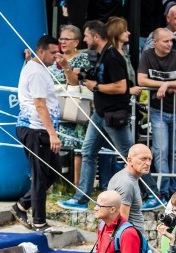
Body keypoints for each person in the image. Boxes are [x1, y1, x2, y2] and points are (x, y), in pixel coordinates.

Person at [63, 21, 137, 210]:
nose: (84, 40)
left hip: (114, 115)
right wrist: (66, 66)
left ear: (96, 37)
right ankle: (81, 198)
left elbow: (121, 87)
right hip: (99, 114)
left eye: (86, 36)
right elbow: (73, 80)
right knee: (88, 152)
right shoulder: (93, 56)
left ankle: (150, 193)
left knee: (131, 157)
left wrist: (96, 86)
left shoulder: (112, 56)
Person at [11, 35, 61, 233]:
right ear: (41, 52)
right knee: (40, 175)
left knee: (53, 171)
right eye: (52, 52)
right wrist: (52, 134)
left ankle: (22, 205)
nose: (56, 56)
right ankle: (39, 221)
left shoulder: (35, 67)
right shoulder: (37, 72)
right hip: (35, 129)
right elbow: (40, 104)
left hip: (41, 128)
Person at [138, 28, 176, 201]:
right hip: (157, 110)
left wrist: (165, 86)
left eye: (171, 41)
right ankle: (163, 189)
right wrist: (165, 83)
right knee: (161, 150)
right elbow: (141, 80)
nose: (170, 44)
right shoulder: (147, 56)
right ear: (155, 42)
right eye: (166, 41)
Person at [51, 25, 90, 190]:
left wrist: (66, 66)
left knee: (77, 147)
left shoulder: (83, 59)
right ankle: (58, 185)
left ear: (76, 42)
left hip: (74, 108)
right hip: (55, 108)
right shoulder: (53, 58)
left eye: (67, 39)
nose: (62, 42)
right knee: (57, 145)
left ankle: (77, 186)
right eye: (61, 39)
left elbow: (74, 82)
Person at [107, 144, 152, 231]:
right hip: (130, 240)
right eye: (143, 159)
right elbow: (121, 223)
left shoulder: (128, 178)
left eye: (150, 159)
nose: (148, 163)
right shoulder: (126, 183)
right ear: (129, 160)